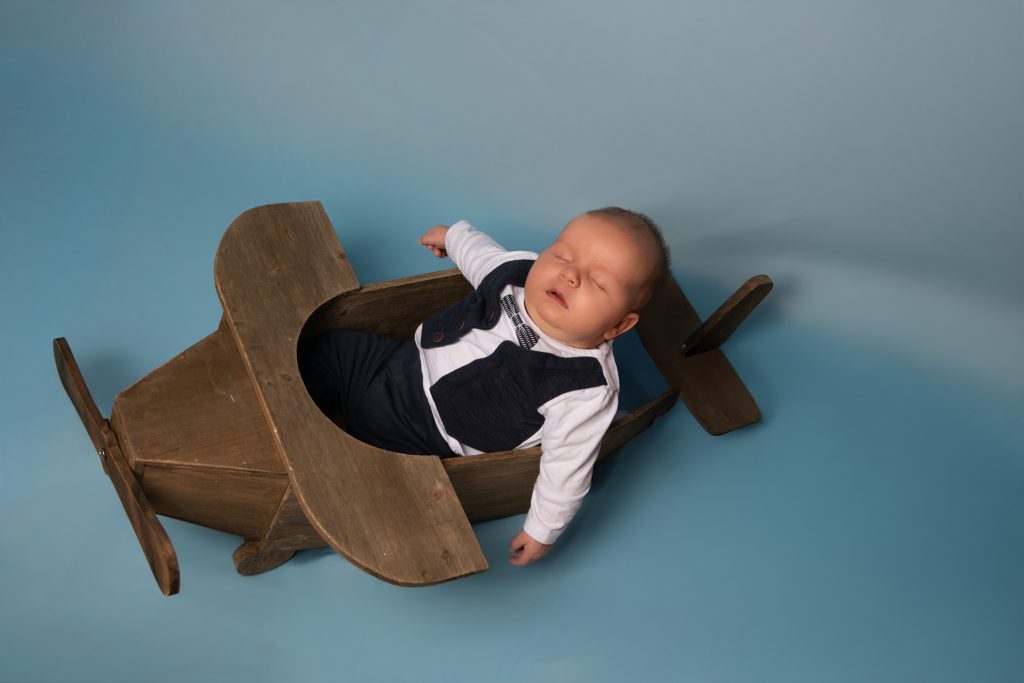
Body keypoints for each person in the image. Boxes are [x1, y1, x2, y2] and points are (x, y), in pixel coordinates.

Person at [298, 208, 669, 566]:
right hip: (394, 363)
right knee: (332, 350)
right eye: (561, 254)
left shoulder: (585, 390)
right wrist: (453, 237)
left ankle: (319, 471)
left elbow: (566, 468)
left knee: (374, 480)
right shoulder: (516, 275)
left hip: (423, 438)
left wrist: (543, 529)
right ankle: (289, 404)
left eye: (598, 282)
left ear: (618, 326)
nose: (570, 274)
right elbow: (482, 255)